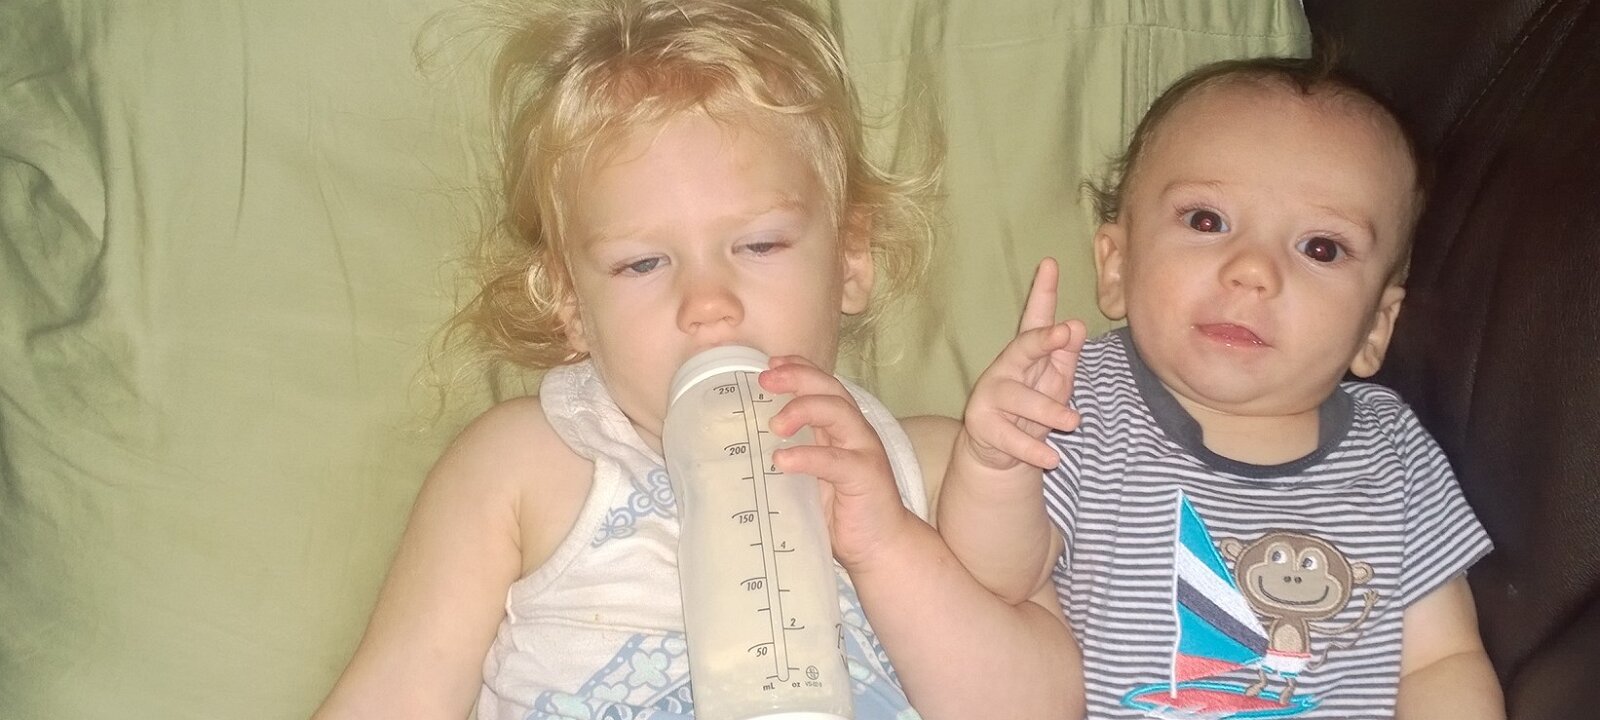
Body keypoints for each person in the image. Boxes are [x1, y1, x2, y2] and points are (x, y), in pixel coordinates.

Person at [312, 1, 1075, 718]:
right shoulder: (525, 464)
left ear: (849, 258)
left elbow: (1041, 705)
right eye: (643, 263)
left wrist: (887, 545)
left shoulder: (933, 469)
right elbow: (397, 692)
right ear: (571, 303)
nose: (707, 302)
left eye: (759, 245)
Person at [938, 57, 1505, 718]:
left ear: (1375, 328)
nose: (1253, 270)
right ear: (1117, 266)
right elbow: (998, 580)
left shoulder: (1395, 452)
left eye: (1321, 248)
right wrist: (996, 463)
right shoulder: (1078, 401)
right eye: (1207, 220)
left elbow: (1443, 661)